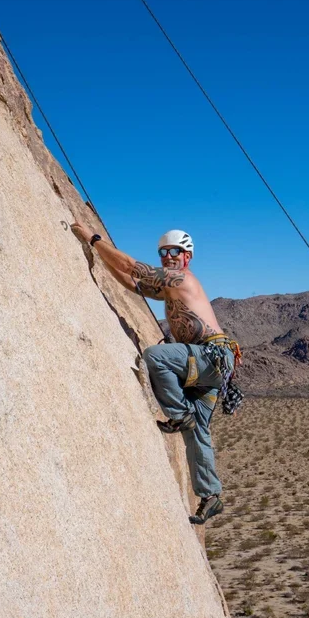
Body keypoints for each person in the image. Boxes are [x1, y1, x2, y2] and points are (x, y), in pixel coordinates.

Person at [70, 223, 238, 525]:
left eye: (174, 251)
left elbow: (131, 266)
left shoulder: (180, 277)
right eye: (163, 252)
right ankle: (210, 495)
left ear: (187, 256)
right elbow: (133, 284)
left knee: (155, 357)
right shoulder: (169, 285)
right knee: (197, 430)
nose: (167, 256)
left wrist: (93, 239)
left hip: (210, 356)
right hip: (210, 365)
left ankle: (179, 414)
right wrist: (101, 258)